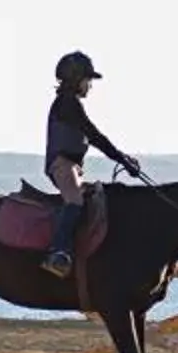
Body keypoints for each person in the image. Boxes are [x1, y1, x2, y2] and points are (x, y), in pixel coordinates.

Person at [43, 50, 143, 278]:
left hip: (73, 165)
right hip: (63, 164)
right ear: (76, 79)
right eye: (87, 80)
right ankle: (57, 252)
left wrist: (122, 158)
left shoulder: (70, 103)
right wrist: (122, 159)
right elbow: (94, 135)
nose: (90, 85)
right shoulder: (68, 104)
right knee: (75, 200)